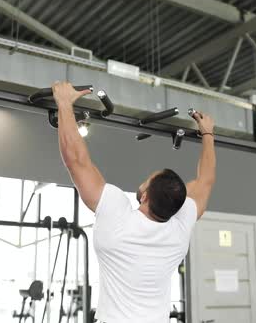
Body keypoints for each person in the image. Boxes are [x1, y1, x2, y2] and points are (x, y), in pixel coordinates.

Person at [52, 81, 216, 322]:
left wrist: (64, 103)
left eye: (147, 179)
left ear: (146, 195)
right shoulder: (179, 231)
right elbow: (205, 181)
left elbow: (76, 160)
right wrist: (208, 134)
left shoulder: (117, 213)